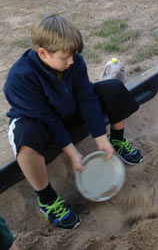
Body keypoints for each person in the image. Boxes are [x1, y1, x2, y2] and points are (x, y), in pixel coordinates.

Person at [3, 14, 143, 230]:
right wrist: (71, 152)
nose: (72, 61)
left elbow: (86, 97)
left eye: (74, 56)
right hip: (40, 122)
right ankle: (47, 199)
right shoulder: (20, 78)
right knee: (25, 137)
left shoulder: (74, 61)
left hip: (70, 112)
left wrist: (101, 138)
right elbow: (46, 118)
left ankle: (117, 142)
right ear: (43, 53)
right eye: (65, 58)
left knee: (113, 88)